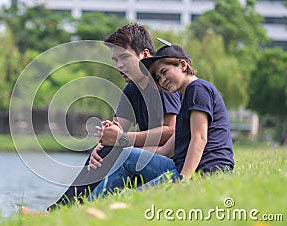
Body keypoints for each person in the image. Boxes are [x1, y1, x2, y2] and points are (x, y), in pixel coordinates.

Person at [47, 24, 182, 210]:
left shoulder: (163, 83)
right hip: (142, 159)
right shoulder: (132, 89)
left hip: (170, 163)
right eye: (115, 60)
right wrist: (103, 143)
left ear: (144, 54)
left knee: (115, 149)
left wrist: (120, 140)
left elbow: (171, 130)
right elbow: (117, 129)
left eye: (124, 57)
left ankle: (60, 210)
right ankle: (65, 209)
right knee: (106, 150)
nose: (119, 65)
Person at [88, 39, 235, 200]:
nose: (162, 80)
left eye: (164, 72)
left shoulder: (197, 89)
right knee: (127, 158)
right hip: (181, 167)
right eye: (158, 77)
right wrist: (121, 145)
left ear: (183, 65)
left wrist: (183, 179)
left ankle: (90, 206)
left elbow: (200, 138)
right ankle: (91, 204)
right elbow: (165, 151)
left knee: (131, 198)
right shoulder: (187, 98)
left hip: (206, 169)